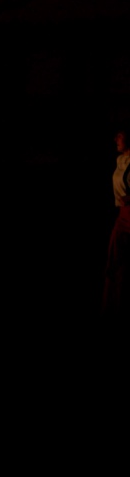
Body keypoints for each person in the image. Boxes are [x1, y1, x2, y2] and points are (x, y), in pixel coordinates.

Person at [101, 123, 130, 340]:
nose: (116, 140)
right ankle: (111, 310)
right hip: (122, 215)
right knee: (114, 261)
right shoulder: (121, 160)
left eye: (119, 135)